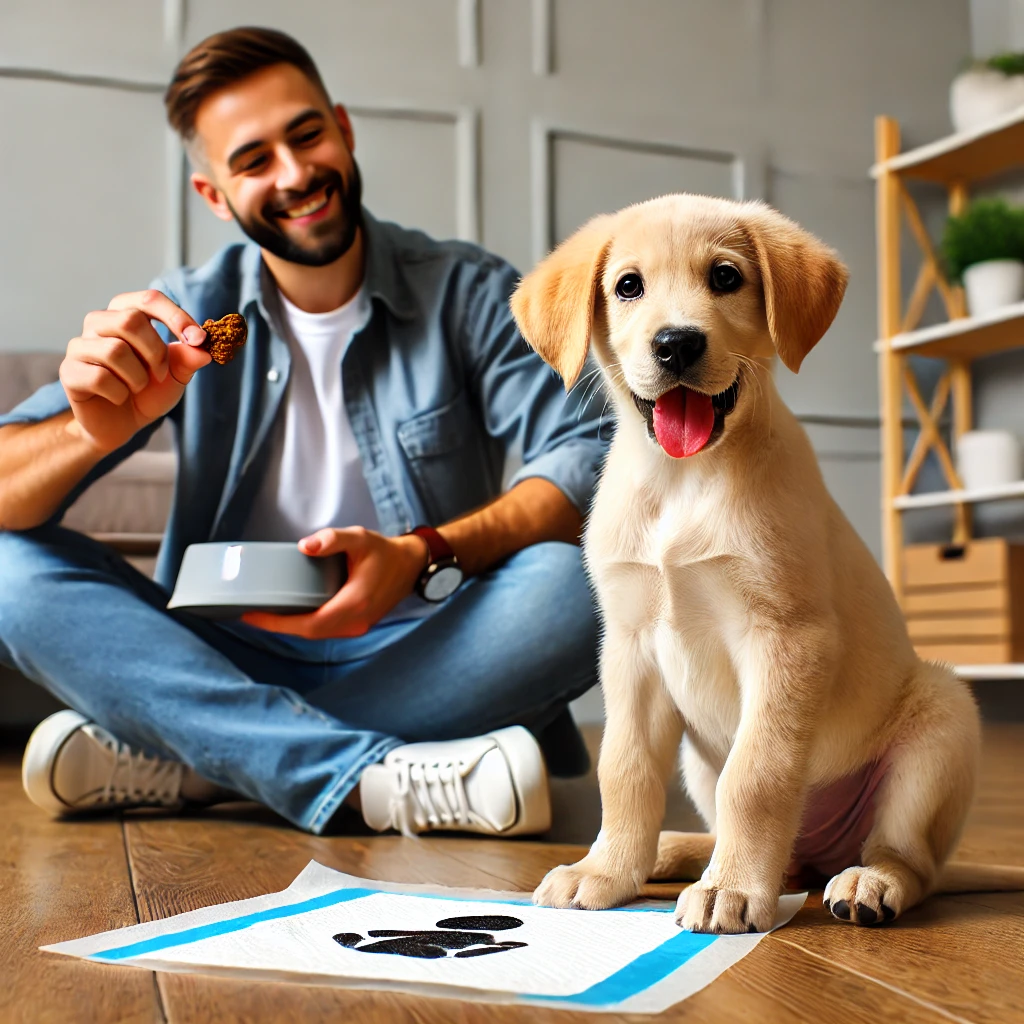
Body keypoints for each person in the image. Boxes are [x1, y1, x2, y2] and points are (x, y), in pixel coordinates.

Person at [0, 27, 606, 838]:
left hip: (428, 647)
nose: (294, 174)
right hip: (218, 655)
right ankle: (364, 779)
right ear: (215, 195)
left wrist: (420, 554)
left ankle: (200, 760)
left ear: (344, 130)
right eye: (253, 160)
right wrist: (90, 429)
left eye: (307, 134)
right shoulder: (184, 311)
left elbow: (592, 462)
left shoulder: (470, 293)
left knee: (584, 584)